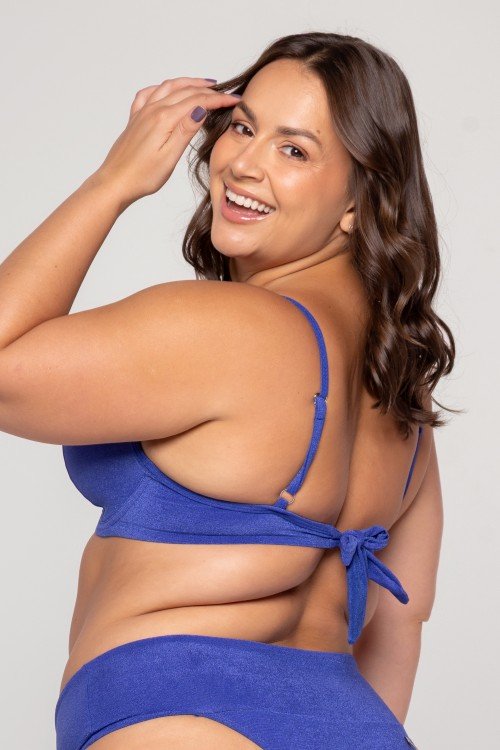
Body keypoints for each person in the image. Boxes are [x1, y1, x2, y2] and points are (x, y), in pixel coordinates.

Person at [0, 31, 454, 750]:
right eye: (243, 127)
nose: (243, 163)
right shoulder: (402, 393)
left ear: (357, 202)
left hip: (176, 719)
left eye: (294, 150)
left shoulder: (232, 328)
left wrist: (113, 181)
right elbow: (402, 619)